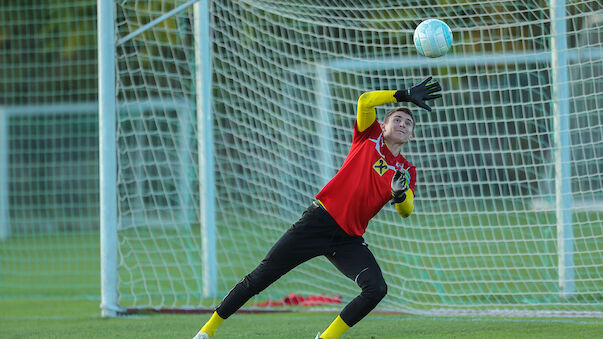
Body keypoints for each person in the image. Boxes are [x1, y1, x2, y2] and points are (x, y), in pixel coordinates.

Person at [193, 77, 442, 339]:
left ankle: (324, 338)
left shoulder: (406, 170)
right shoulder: (368, 136)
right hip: (318, 221)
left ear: (412, 135)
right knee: (260, 277)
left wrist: (401, 194)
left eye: (408, 123)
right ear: (383, 125)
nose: (403, 124)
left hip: (348, 239)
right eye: (397, 120)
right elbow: (365, 100)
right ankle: (206, 332)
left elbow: (407, 211)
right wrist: (403, 95)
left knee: (376, 289)